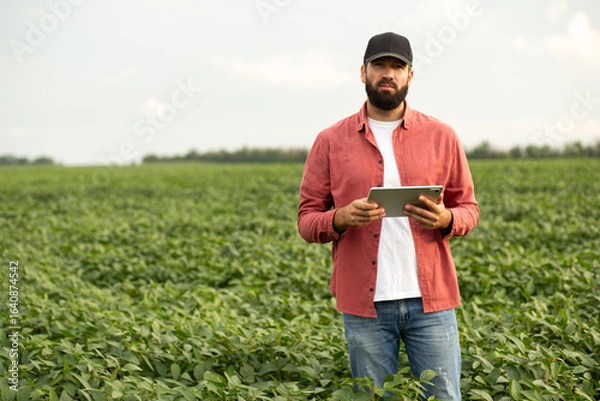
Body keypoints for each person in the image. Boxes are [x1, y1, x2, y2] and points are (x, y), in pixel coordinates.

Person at [297, 32, 479, 400]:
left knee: (444, 396)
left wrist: (444, 219)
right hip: (365, 306)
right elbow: (306, 220)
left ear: (411, 75)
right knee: (376, 398)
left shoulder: (442, 136)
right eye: (379, 65)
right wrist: (340, 218)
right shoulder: (330, 140)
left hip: (431, 303)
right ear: (363, 71)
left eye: (398, 66)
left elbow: (469, 210)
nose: (388, 74)